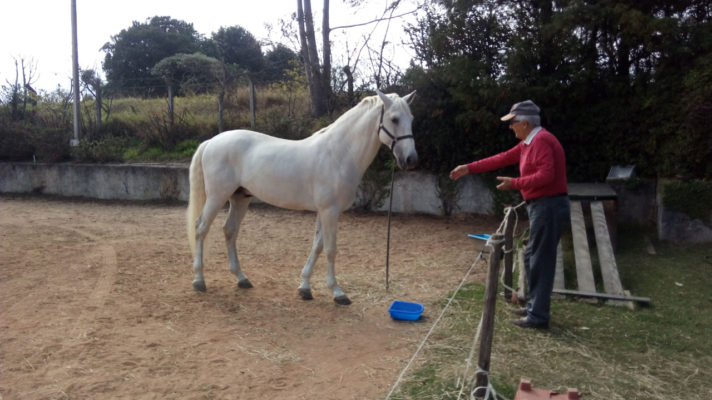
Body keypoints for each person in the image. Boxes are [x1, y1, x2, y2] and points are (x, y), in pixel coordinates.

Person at [450, 100, 570, 329]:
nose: (510, 126)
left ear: (524, 123)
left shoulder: (541, 140)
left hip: (549, 207)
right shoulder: (529, 142)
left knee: (541, 262)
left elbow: (547, 175)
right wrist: (469, 167)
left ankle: (538, 316)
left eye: (513, 122)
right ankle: (535, 307)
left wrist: (515, 183)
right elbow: (502, 158)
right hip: (541, 207)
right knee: (531, 257)